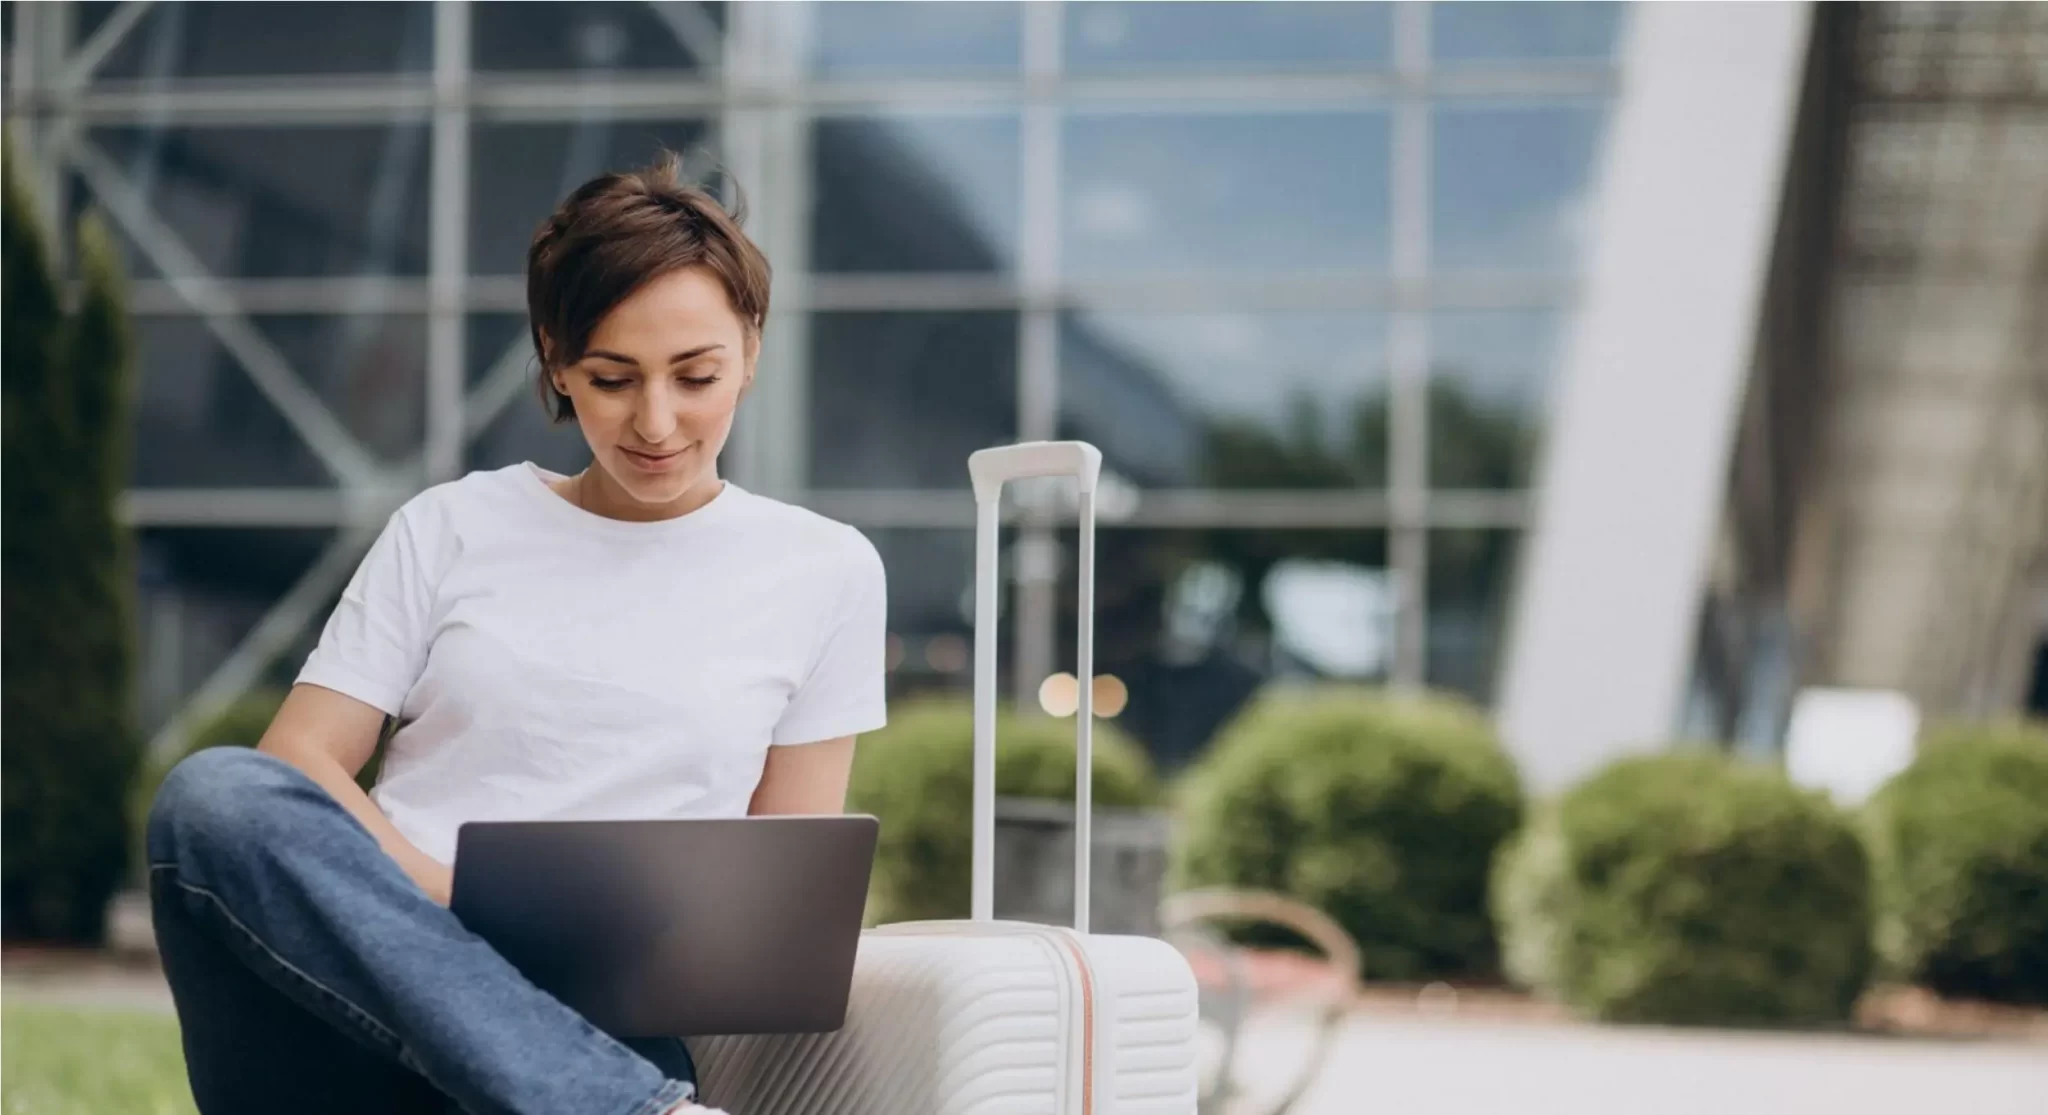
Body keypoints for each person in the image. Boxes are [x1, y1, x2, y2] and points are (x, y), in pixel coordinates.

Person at [144, 155, 888, 1115]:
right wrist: (455, 912)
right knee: (213, 796)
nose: (657, 421)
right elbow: (299, 761)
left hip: (590, 1032)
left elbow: (780, 899)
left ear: (750, 348)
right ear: (556, 359)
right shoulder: (451, 526)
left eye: (695, 375)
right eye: (612, 378)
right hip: (359, 1004)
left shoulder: (825, 569)